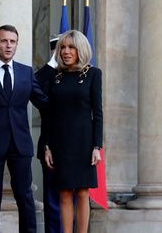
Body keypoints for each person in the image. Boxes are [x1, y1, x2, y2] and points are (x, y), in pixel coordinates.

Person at [0, 24, 48, 233]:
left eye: (12, 41)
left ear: (16, 44)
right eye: (4, 41)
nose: (8, 45)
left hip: (20, 143)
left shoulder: (26, 72)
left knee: (25, 196)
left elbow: (44, 103)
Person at [41, 30, 102, 233]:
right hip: (60, 142)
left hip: (84, 143)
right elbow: (48, 113)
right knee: (65, 192)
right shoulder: (55, 76)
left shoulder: (93, 74)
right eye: (63, 47)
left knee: (83, 192)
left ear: (81, 49)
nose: (66, 51)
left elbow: (98, 113)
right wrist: (47, 146)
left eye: (71, 47)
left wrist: (97, 146)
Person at [35, 34, 64, 233]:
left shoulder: (82, 75)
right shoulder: (48, 76)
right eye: (60, 49)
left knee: (72, 196)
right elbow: (34, 89)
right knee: (53, 200)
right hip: (50, 145)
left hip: (75, 147)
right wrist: (52, 63)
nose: (65, 53)